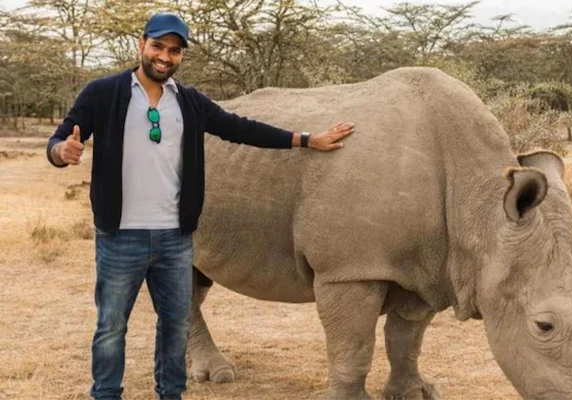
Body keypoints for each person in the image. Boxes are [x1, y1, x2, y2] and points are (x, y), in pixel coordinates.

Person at [45, 13, 354, 400]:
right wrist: (62, 151)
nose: (165, 56)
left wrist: (307, 139)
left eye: (174, 50)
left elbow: (243, 129)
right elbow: (59, 139)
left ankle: (170, 393)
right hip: (120, 233)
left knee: (174, 326)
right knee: (111, 326)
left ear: (181, 57)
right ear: (141, 45)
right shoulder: (102, 93)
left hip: (175, 236)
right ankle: (106, 394)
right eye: (158, 46)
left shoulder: (188, 102)